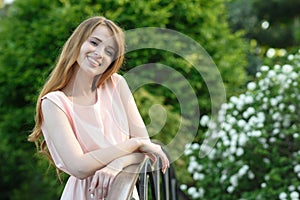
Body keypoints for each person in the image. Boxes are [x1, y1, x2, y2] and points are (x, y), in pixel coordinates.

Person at [28, 16, 169, 200]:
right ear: (77, 43)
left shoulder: (116, 84)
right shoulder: (54, 103)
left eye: (109, 51)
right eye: (94, 42)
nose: (100, 54)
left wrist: (117, 164)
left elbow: (146, 147)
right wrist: (133, 144)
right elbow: (78, 166)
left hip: (123, 192)